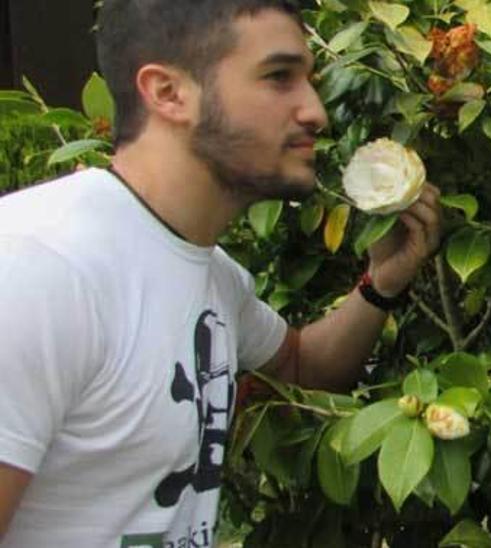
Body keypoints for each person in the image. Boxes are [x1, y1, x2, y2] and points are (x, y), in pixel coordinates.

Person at [0, 1, 442, 544]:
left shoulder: (209, 271)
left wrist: (382, 284)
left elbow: (302, 365)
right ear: (168, 93)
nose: (316, 112)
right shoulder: (38, 268)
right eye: (278, 77)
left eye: (308, 79)